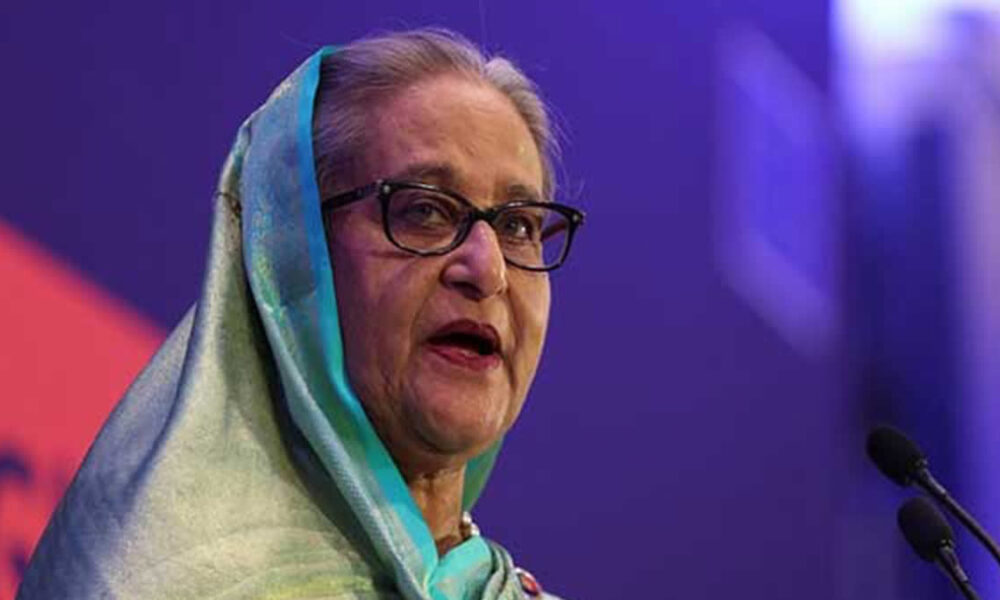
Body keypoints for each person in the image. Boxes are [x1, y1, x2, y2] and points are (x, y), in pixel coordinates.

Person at [16, 28, 584, 600]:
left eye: (518, 225)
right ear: (293, 254)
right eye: (424, 211)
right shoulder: (152, 582)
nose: (487, 269)